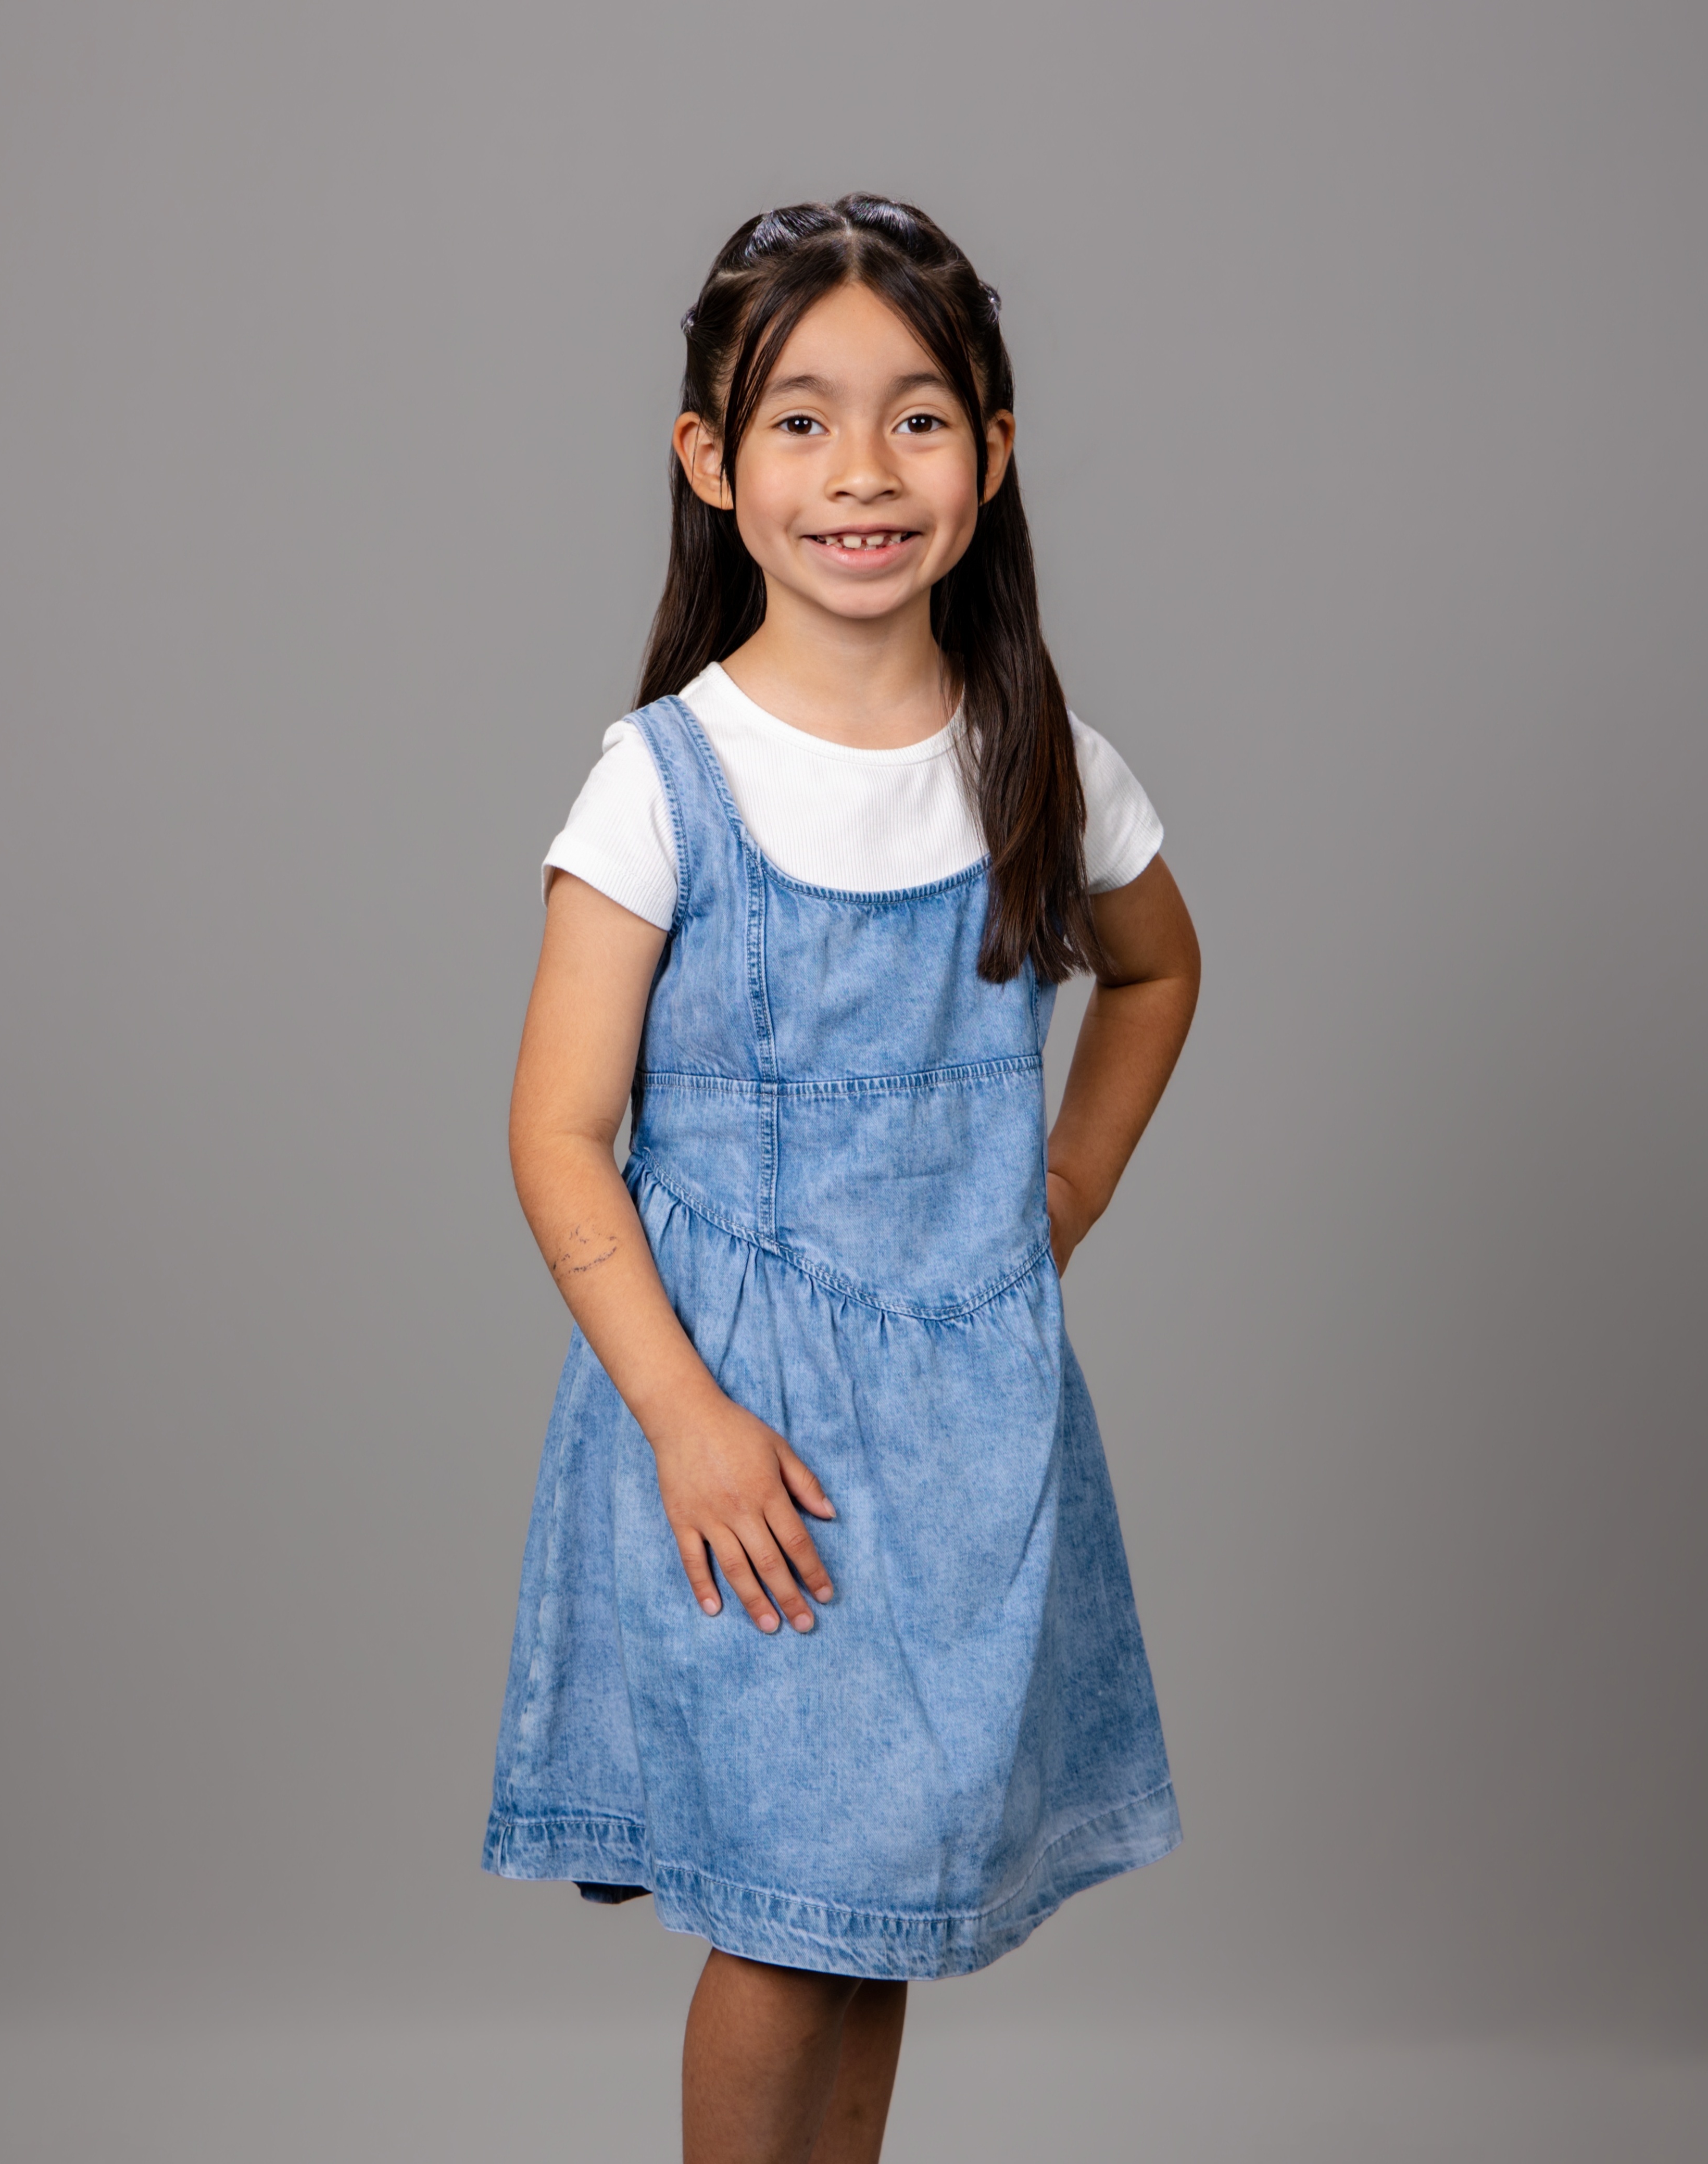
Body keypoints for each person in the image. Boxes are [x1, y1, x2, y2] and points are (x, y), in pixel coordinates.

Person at [484, 194, 1202, 2164]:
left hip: (965, 1443)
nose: (863, 469)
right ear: (713, 463)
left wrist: (1060, 1196)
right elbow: (557, 1132)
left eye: (918, 417)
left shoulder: (1039, 761)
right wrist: (687, 1420)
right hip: (747, 1444)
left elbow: (1158, 969)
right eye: (800, 420)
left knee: (883, 1912)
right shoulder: (663, 780)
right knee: (790, 1927)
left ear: (993, 452)